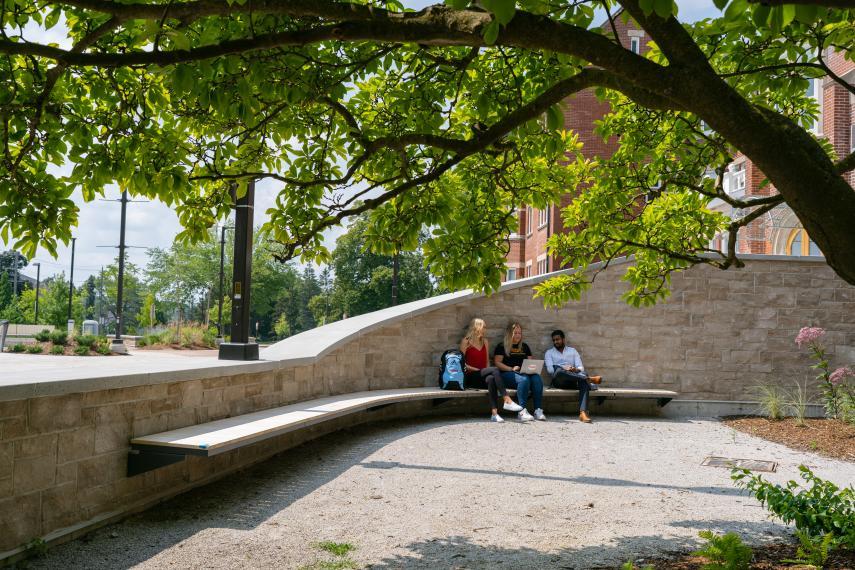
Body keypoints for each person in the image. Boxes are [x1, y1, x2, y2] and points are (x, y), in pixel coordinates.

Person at [460, 318, 523, 423]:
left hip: (482, 375)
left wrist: (485, 370)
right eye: (483, 327)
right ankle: (507, 399)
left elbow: (487, 362)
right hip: (470, 376)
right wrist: (479, 370)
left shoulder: (485, 341)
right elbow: (462, 364)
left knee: (491, 378)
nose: (485, 329)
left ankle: (494, 414)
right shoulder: (466, 341)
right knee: (494, 370)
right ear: (476, 327)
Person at [545, 329, 603, 423]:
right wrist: (564, 368)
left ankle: (583, 413)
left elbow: (581, 367)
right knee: (559, 371)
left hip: (573, 379)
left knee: (583, 376)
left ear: (563, 339)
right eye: (554, 340)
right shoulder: (549, 353)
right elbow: (550, 371)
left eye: (558, 339)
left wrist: (574, 370)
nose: (556, 342)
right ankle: (589, 380)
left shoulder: (572, 351)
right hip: (559, 381)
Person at [494, 322, 545, 421]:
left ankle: (537, 410)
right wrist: (511, 368)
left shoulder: (524, 346)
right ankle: (521, 411)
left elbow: (530, 362)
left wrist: (532, 368)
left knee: (537, 378)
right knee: (524, 380)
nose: (518, 335)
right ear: (510, 333)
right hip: (507, 374)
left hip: (523, 372)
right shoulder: (502, 346)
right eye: (515, 333)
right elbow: (497, 363)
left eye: (519, 333)